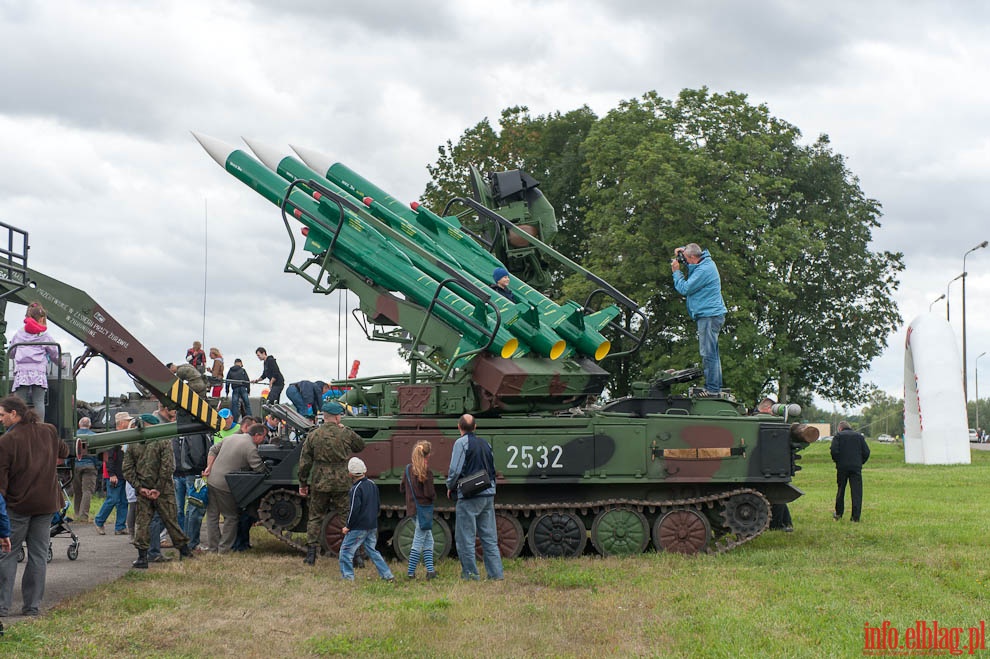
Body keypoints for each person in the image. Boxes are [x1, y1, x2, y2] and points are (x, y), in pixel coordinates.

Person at [0, 395, 69, 617]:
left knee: (8, 554)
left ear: (14, 414)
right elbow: (64, 452)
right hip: (47, 504)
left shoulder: (6, 441)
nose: (0, 419)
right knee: (38, 556)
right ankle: (32, 606)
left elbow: (1, 481)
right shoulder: (48, 430)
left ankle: (2, 605)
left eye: (2, 415)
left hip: (18, 505)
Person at [122, 405, 195, 568]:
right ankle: (185, 552)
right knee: (171, 521)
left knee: (142, 523)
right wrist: (158, 488)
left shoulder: (133, 443)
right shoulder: (163, 440)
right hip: (163, 490)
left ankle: (142, 558)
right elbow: (168, 466)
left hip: (143, 491)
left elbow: (127, 469)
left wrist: (139, 487)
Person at [297, 400, 365, 565]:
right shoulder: (345, 433)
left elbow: (305, 462)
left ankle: (311, 555)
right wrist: (346, 429)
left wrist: (303, 483)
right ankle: (356, 556)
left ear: (324, 417)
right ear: (336, 417)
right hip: (342, 480)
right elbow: (360, 446)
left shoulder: (314, 435)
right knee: (347, 516)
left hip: (320, 480)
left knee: (315, 517)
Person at [446, 414, 503, 581]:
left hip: (469, 495)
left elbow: (455, 470)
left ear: (459, 427)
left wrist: (450, 486)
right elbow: (491, 467)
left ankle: (470, 575)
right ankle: (496, 574)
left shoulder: (461, 443)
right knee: (489, 538)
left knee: (465, 539)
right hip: (488, 492)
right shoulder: (485, 443)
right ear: (475, 427)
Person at [671, 243, 727, 396]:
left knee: (708, 353)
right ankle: (714, 386)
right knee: (712, 353)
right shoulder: (704, 261)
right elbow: (691, 253)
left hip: (708, 315)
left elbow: (684, 288)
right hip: (711, 314)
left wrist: (676, 272)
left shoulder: (703, 270)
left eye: (687, 260)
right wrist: (682, 249)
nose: (686, 263)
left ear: (694, 257)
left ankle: (712, 389)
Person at [203, 424, 267, 553]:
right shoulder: (250, 447)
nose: (264, 439)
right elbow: (259, 468)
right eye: (264, 436)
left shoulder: (231, 438)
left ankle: (213, 548)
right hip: (225, 485)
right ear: (257, 435)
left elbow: (212, 450)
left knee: (212, 516)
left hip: (212, 480)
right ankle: (224, 549)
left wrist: (209, 466)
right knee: (231, 517)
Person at [338, 457, 394, 582]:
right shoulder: (373, 485)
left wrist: (348, 526)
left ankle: (347, 577)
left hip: (358, 527)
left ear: (350, 474)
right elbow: (377, 504)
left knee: (345, 551)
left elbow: (353, 510)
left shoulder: (355, 489)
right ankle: (387, 575)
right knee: (372, 551)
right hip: (372, 525)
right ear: (364, 470)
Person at [9, 302, 60, 421]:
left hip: (22, 372)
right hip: (38, 372)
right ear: (42, 319)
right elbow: (54, 353)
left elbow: (12, 352)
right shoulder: (44, 335)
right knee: (39, 402)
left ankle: (19, 426)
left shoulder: (19, 333)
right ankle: (39, 427)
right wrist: (62, 364)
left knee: (19, 403)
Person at [400, 440, 437, 580]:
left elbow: (402, 488)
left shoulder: (408, 469)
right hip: (424, 510)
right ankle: (410, 572)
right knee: (418, 541)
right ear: (427, 456)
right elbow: (429, 493)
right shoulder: (427, 472)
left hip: (412, 508)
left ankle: (431, 571)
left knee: (429, 541)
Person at [94, 412, 131, 536]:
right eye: (127, 421)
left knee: (123, 501)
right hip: (114, 475)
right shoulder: (114, 437)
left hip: (123, 474)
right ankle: (99, 521)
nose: (129, 423)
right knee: (113, 499)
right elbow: (109, 458)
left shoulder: (125, 436)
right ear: (121, 423)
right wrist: (111, 474)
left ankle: (120, 526)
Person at [831, 420, 870, 522]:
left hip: (842, 467)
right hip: (856, 467)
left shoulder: (838, 436)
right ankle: (855, 517)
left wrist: (837, 461)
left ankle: (839, 513)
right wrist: (860, 462)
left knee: (841, 490)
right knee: (857, 492)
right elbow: (866, 452)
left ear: (840, 428)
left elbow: (834, 451)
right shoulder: (859, 436)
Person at [72, 417, 100, 522]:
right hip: (89, 466)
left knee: (77, 491)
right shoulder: (94, 436)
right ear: (89, 425)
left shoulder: (74, 435)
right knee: (87, 491)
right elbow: (97, 454)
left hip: (75, 465)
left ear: (79, 425)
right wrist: (96, 465)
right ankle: (83, 516)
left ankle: (76, 513)